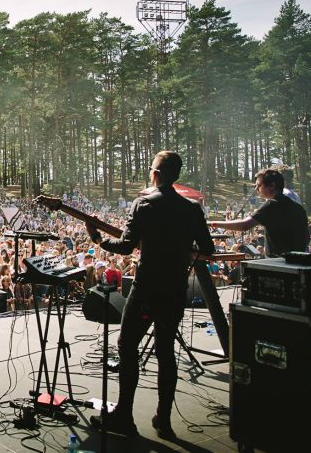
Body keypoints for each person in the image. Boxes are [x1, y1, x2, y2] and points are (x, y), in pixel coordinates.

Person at [85, 151, 214, 439]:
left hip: (147, 287)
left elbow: (125, 246)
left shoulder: (143, 203)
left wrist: (97, 238)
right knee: (166, 351)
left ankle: (124, 416)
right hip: (175, 289)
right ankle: (163, 420)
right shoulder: (192, 209)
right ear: (176, 176)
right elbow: (207, 248)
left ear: (155, 174)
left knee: (127, 345)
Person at [209, 169, 310, 258]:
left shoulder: (271, 204)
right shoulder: (298, 207)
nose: (256, 189)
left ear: (272, 185)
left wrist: (212, 223)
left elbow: (244, 225)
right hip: (298, 261)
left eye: (259, 185)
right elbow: (307, 238)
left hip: (278, 263)